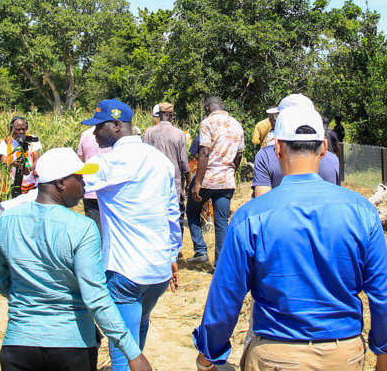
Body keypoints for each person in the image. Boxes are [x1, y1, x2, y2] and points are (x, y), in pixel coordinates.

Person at [192, 105, 387, 371]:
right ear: (324, 147)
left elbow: (224, 303)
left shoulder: (252, 215)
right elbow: (385, 301)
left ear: (276, 146)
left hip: (278, 358)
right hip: (344, 357)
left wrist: (208, 362)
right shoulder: (361, 211)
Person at [0, 148, 155, 371]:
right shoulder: (81, 229)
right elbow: (95, 298)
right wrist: (133, 352)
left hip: (20, 344)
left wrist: (29, 301)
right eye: (79, 178)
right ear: (60, 183)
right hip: (72, 346)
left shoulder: (7, 222)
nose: (84, 184)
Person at [82, 99, 182, 371]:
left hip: (125, 272)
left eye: (98, 126)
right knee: (135, 338)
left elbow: (57, 186)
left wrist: (2, 208)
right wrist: (172, 256)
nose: (94, 132)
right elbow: (173, 211)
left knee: (124, 357)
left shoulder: (106, 162)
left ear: (116, 127)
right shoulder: (159, 160)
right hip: (156, 270)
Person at [189, 96, 245, 264]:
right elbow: (239, 154)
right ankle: (219, 263)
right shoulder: (236, 124)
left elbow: (204, 152)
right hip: (226, 180)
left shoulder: (207, 123)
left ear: (207, 108)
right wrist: (231, 171)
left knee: (192, 211)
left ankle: (200, 250)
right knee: (221, 222)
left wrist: (197, 182)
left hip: (208, 179)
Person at [251, 94, 341, 196]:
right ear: (324, 147)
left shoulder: (265, 157)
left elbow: (262, 200)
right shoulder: (333, 160)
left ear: (278, 147)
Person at [142, 102, 190, 205]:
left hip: (154, 180)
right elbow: (184, 162)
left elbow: (143, 158)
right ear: (171, 115)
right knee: (175, 213)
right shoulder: (179, 133)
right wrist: (189, 182)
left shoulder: (149, 132)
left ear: (159, 115)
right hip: (174, 179)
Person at [0, 116, 42, 196]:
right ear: (12, 129)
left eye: (23, 129)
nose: (21, 132)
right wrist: (12, 164)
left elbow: (37, 160)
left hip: (31, 184)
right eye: (18, 129)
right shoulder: (4, 144)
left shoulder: (32, 140)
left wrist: (29, 169)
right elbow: (3, 165)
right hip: (12, 184)